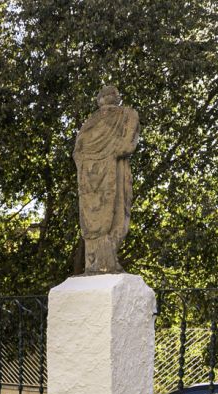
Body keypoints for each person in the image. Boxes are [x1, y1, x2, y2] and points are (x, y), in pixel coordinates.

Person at [73, 85, 140, 275]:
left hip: (93, 176)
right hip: (110, 175)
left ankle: (99, 263)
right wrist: (109, 153)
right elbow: (126, 146)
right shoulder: (127, 115)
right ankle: (102, 264)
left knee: (112, 220)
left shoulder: (90, 123)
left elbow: (78, 152)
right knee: (119, 217)